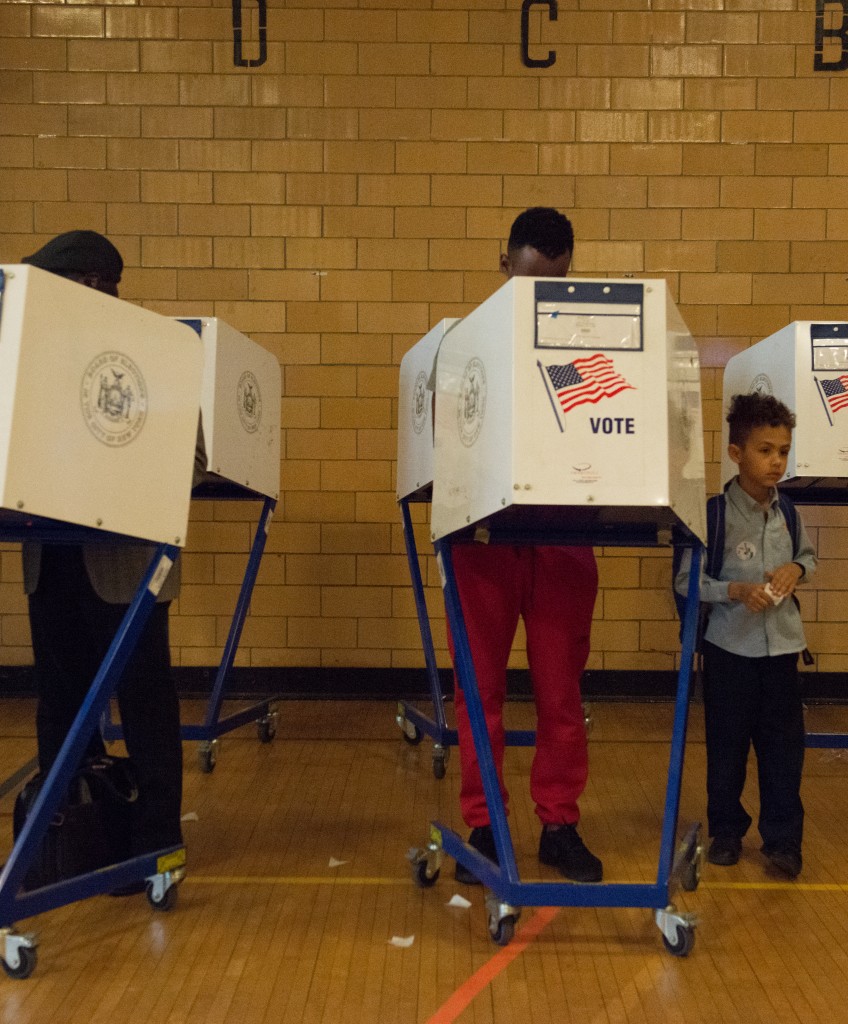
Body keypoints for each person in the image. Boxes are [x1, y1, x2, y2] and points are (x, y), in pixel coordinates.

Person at [20, 230, 203, 884]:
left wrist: (122, 465)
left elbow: (196, 459)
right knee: (58, 701)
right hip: (50, 558)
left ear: (92, 287)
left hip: (126, 563)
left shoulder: (153, 353)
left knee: (146, 701)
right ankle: (69, 836)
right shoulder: (32, 359)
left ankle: (157, 843)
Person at [431, 207, 602, 884]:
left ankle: (559, 823)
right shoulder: (463, 347)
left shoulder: (592, 350)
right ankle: (485, 822)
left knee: (562, 693)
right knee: (482, 690)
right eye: (528, 282)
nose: (538, 299)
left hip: (563, 535)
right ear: (504, 264)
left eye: (554, 286)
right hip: (483, 537)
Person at [675, 392, 816, 878]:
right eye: (765, 450)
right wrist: (733, 588)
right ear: (736, 453)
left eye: (783, 450)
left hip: (782, 652)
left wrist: (796, 568)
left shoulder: (789, 513)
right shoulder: (712, 515)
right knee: (727, 746)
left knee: (783, 749)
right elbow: (685, 581)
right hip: (729, 651)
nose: (776, 461)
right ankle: (727, 832)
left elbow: (809, 557)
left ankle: (783, 840)